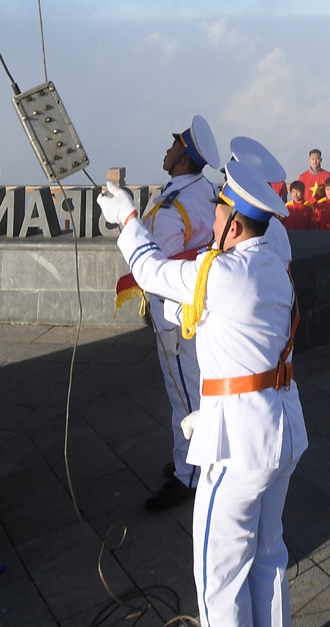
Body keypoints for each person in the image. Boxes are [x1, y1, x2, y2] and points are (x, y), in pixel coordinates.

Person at [101, 136, 305, 627]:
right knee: (268, 556)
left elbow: (150, 270)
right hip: (281, 431)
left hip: (238, 446)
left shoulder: (221, 273)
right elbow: (231, 328)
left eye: (217, 212)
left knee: (220, 577)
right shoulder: (272, 264)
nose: (211, 220)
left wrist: (128, 218)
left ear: (233, 224)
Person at [133, 117, 224, 512]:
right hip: (199, 306)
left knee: (185, 396)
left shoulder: (175, 205)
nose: (167, 149)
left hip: (176, 312)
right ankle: (194, 459)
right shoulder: (205, 190)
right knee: (198, 388)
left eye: (174, 145)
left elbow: (158, 267)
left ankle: (191, 476)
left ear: (183, 158)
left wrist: (128, 227)